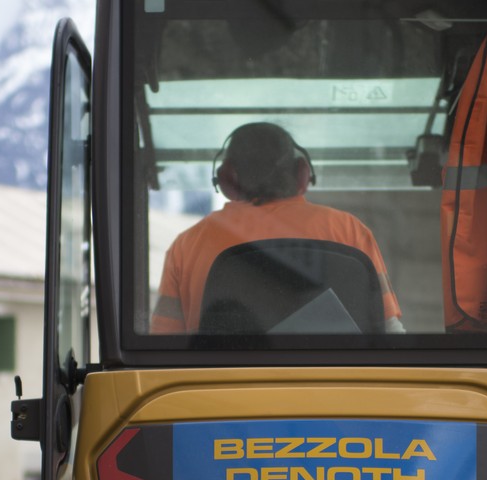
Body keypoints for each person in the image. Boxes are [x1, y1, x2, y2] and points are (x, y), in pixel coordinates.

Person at [151, 122, 405, 334]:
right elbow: (390, 332)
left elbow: (164, 346)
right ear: (302, 174)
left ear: (227, 179)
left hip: (224, 392)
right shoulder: (349, 230)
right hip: (333, 389)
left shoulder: (188, 244)